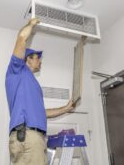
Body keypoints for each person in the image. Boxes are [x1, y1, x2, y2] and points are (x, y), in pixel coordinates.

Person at [5, 18, 75, 165]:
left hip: (30, 137)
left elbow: (43, 113)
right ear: (27, 59)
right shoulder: (17, 71)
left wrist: (66, 109)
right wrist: (31, 24)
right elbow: (22, 38)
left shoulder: (32, 84)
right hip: (29, 137)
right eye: (37, 58)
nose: (40, 61)